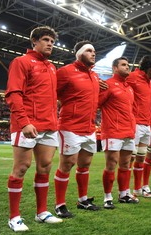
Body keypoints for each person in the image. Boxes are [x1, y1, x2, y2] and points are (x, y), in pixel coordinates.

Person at [5, 26, 62, 232]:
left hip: (49, 125)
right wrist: (24, 121)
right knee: (21, 168)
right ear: (34, 42)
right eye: (46, 40)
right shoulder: (21, 62)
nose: (50, 44)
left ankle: (42, 213)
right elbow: (13, 94)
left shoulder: (52, 68)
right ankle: (14, 217)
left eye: (52, 42)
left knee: (45, 167)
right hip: (28, 123)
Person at [54, 40, 101, 218]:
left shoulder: (95, 76)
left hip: (89, 127)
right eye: (89, 50)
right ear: (79, 53)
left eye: (94, 51)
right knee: (67, 164)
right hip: (70, 126)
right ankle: (60, 205)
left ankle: (83, 200)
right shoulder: (65, 72)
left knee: (85, 165)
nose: (93, 53)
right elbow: (53, 94)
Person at [99, 57, 139, 208]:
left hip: (129, 131)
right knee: (111, 164)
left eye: (128, 65)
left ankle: (124, 194)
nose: (127, 67)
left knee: (125, 164)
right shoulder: (107, 85)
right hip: (113, 130)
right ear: (115, 68)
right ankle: (107, 198)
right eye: (123, 65)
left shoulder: (129, 88)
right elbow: (96, 104)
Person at [126, 55, 151, 198]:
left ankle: (138, 189)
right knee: (130, 159)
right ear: (149, 67)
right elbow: (117, 82)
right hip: (135, 123)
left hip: (147, 124)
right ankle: (125, 192)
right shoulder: (133, 76)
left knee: (140, 158)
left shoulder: (150, 81)